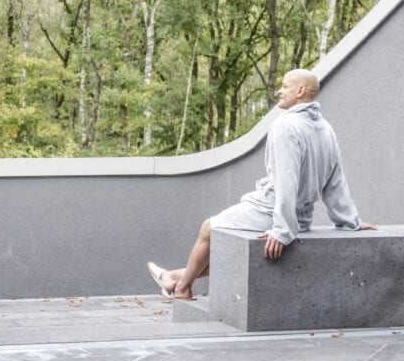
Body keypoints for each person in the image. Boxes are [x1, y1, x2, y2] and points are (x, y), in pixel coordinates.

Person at [147, 69, 376, 301]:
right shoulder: (325, 128)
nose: (279, 90)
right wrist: (349, 221)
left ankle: (182, 289)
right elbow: (335, 181)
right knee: (231, 249)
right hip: (303, 218)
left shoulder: (285, 126)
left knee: (208, 228)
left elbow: (287, 181)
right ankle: (174, 276)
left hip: (271, 211)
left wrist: (282, 230)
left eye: (285, 86)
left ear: (300, 91)